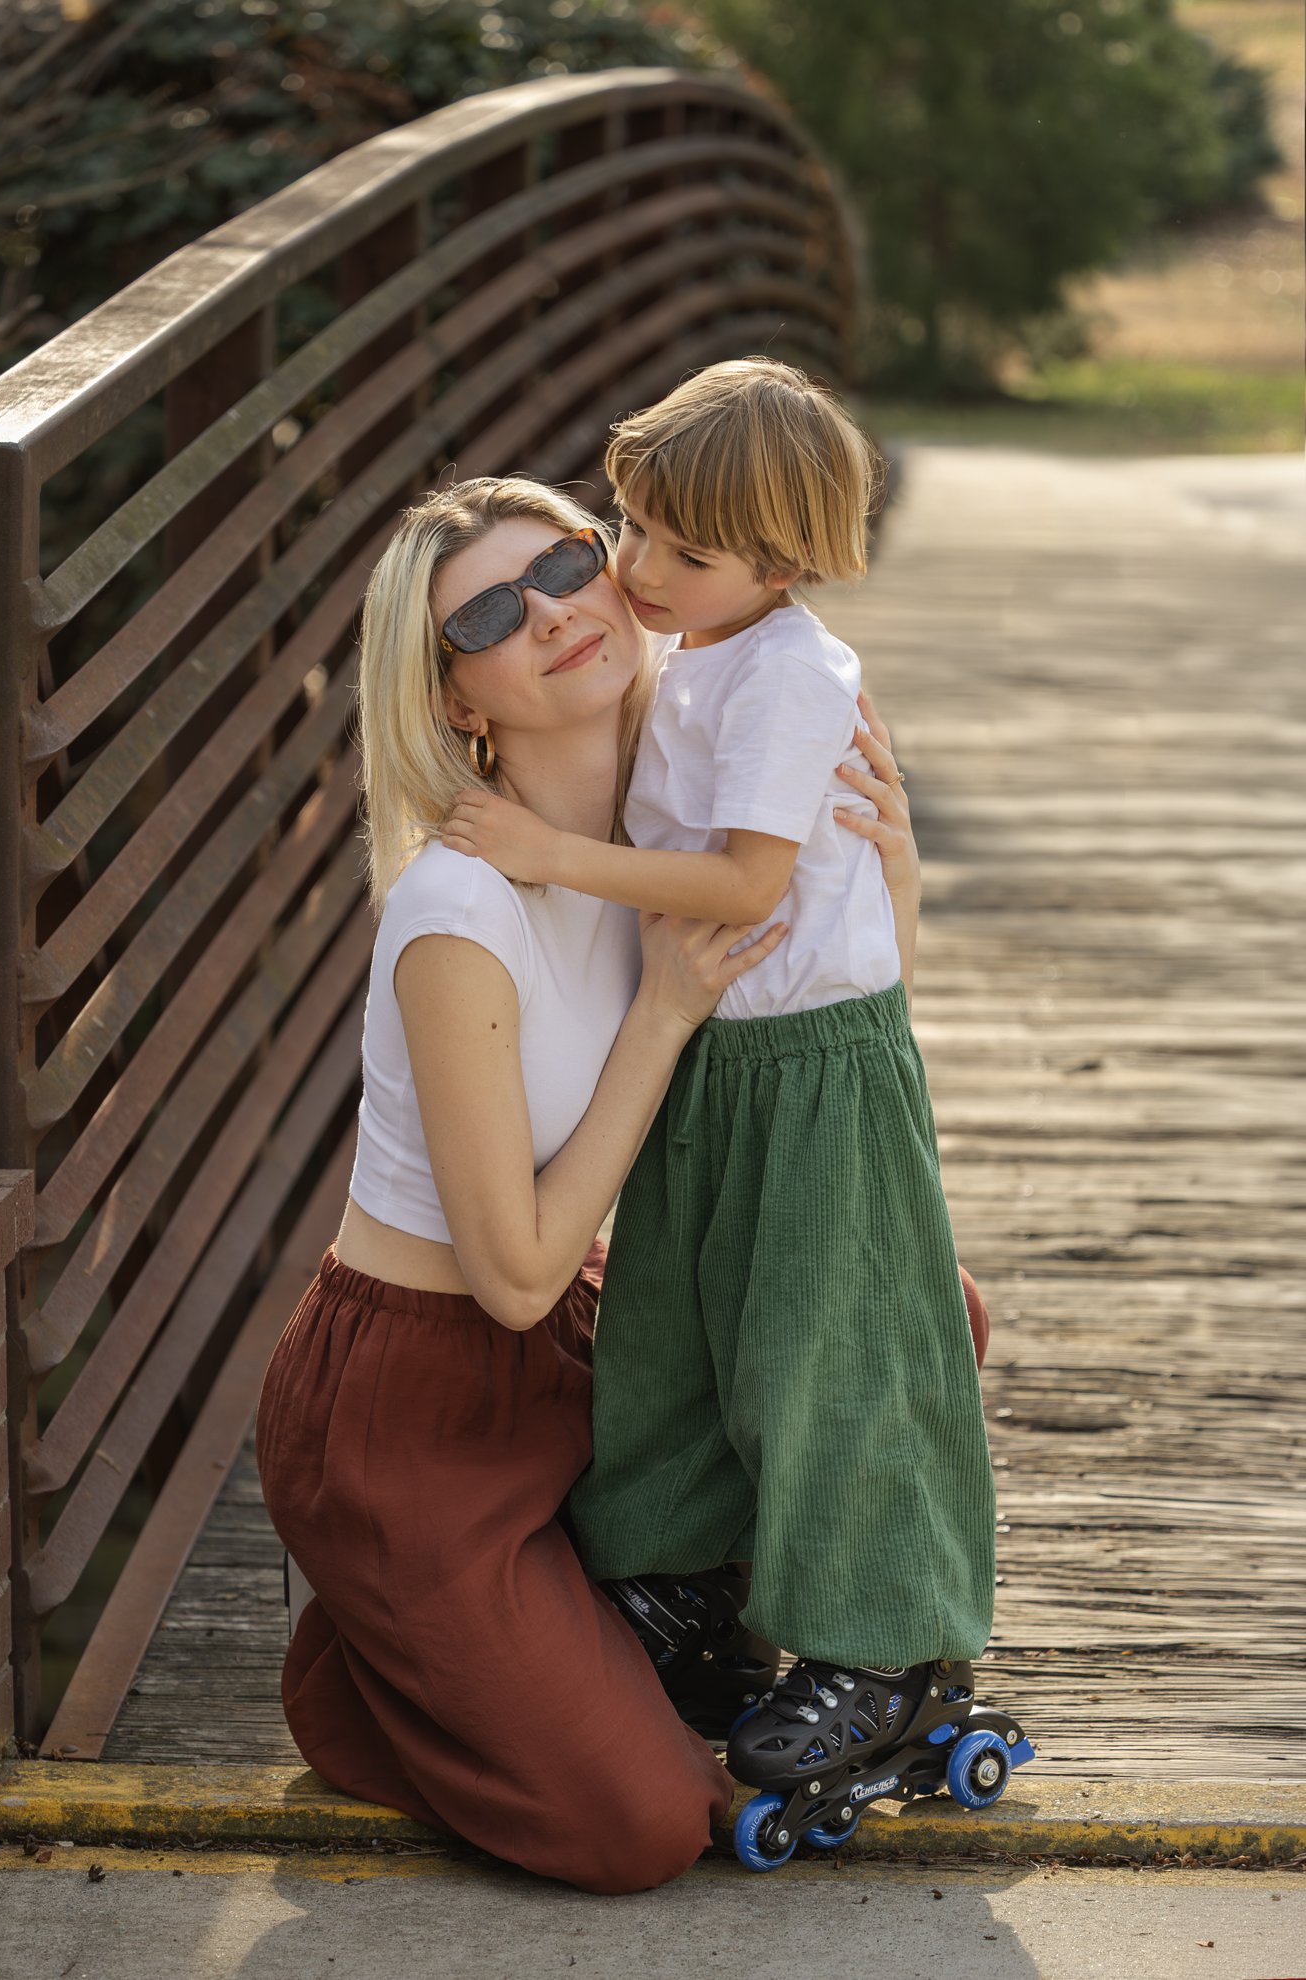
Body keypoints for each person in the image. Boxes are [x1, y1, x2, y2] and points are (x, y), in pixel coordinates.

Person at [253, 473, 936, 1896]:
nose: (557, 609)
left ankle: (592, 1617)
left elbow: (816, 1053)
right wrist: (661, 1018)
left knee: (920, 1318)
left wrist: (891, 887)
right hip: (414, 1411)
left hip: (582, 1341)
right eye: (493, 613)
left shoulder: (685, 826)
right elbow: (506, 1279)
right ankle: (376, 1663)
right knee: (633, 1829)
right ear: (458, 704)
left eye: (568, 561)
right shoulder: (458, 910)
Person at [441, 362, 1028, 1869]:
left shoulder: (788, 674)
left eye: (677, 556)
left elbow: (753, 885)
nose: (631, 574)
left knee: (830, 1353)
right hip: (717, 1054)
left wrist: (540, 855)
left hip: (820, 1068)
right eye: (626, 528)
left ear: (785, 563)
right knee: (672, 1331)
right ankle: (684, 1584)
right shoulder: (695, 644)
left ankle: (885, 1645)